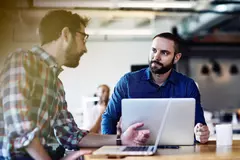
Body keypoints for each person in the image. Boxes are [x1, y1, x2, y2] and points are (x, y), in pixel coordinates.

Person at [0, 10, 150, 160]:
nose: (85, 49)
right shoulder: (22, 61)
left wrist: (121, 139)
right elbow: (21, 130)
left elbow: (70, 135)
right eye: (83, 38)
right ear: (65, 34)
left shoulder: (56, 84)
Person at [101, 32, 210, 144]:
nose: (156, 57)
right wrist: (111, 146)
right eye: (154, 50)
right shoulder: (128, 82)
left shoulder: (188, 85)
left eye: (164, 53)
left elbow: (199, 124)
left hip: (178, 151)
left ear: (176, 58)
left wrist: (201, 132)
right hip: (136, 148)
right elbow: (109, 117)